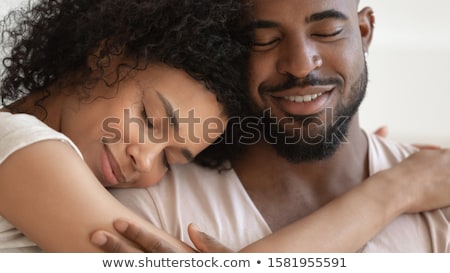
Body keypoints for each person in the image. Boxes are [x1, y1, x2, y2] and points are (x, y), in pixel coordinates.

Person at [0, 0, 449, 253]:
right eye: (152, 121)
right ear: (105, 54)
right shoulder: (21, 142)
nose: (144, 159)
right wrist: (394, 189)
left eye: (174, 157)